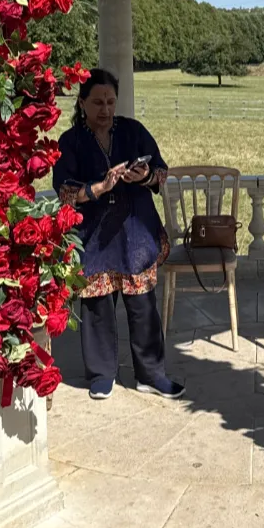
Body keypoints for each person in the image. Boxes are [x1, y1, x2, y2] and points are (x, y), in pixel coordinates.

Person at [53, 68, 184, 400]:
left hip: (135, 233)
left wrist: (142, 176)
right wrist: (99, 186)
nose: (106, 109)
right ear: (82, 103)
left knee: (143, 306)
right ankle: (101, 374)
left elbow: (161, 172)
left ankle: (151, 375)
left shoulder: (133, 131)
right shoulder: (71, 142)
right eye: (98, 102)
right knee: (97, 307)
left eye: (111, 101)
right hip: (94, 237)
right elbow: (65, 192)